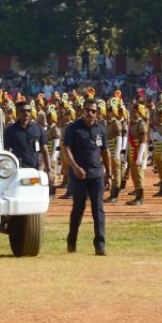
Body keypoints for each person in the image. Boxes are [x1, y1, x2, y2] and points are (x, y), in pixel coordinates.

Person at [63, 98, 111, 256]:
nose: (90, 113)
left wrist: (109, 174)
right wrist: (75, 168)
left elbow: (105, 151)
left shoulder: (101, 129)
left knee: (98, 209)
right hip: (79, 175)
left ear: (97, 113)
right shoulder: (73, 128)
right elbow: (67, 149)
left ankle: (100, 245)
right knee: (78, 208)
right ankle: (72, 241)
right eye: (87, 110)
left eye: (93, 111)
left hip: (97, 174)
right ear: (82, 111)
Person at [4, 101, 51, 177]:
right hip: (17, 170)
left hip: (36, 169)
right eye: (22, 111)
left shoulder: (38, 128)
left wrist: (49, 170)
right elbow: (6, 152)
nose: (26, 113)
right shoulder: (9, 131)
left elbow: (45, 150)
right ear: (17, 113)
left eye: (28, 111)